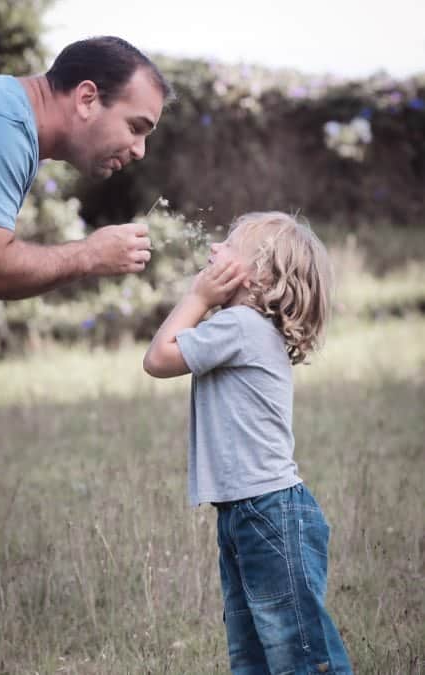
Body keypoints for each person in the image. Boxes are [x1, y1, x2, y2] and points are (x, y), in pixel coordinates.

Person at [143, 211, 353, 674]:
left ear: (260, 275)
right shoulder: (245, 327)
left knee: (299, 655)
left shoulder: (239, 325)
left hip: (267, 512)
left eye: (229, 247)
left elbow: (158, 358)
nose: (214, 251)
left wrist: (198, 295)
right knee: (257, 654)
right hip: (251, 512)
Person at [0, 36, 173, 300]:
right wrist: (90, 254)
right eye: (135, 128)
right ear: (86, 99)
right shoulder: (2, 126)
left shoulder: (6, 112)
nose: (140, 151)